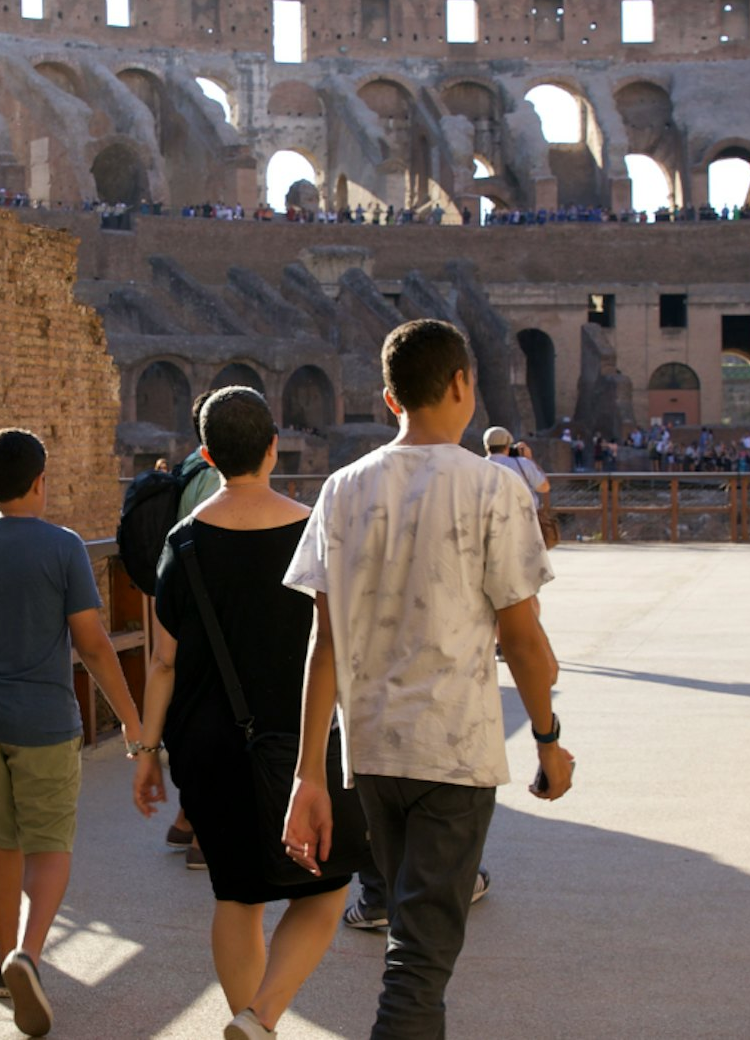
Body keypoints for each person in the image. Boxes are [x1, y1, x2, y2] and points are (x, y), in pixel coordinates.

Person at [282, 319, 574, 1040]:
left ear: (388, 398)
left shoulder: (341, 489)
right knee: (419, 960)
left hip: (371, 753)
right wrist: (547, 739)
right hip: (454, 751)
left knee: (411, 941)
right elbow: (523, 638)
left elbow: (324, 642)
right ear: (463, 385)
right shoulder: (493, 490)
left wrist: (308, 776)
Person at [133, 387, 349, 1040]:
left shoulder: (184, 540)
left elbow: (163, 660)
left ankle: (251, 1022)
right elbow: (337, 643)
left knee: (237, 896)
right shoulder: (314, 527)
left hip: (207, 742)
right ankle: (262, 1015)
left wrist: (148, 752)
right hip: (299, 736)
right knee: (327, 887)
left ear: (206, 455)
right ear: (274, 447)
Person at [0, 428, 144, 1037]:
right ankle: (29, 951)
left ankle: (3, 965)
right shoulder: (63, 547)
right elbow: (95, 645)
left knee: (0, 839)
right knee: (49, 843)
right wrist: (132, 721)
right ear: (41, 482)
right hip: (46, 722)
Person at [166, 390, 222, 866]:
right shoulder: (213, 476)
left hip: (181, 602)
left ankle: (186, 821)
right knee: (217, 715)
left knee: (200, 710)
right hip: (206, 608)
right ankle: (206, 835)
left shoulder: (186, 467)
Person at [483, 425, 550, 509]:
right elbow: (544, 487)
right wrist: (530, 459)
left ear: (486, 445)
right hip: (522, 517)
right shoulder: (523, 463)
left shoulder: (477, 467)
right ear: (508, 446)